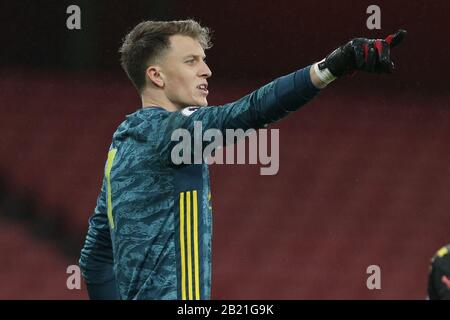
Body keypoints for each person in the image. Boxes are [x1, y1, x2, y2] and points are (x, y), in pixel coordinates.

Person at [79, 19, 406, 300]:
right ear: (157, 76)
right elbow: (248, 112)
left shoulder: (121, 146)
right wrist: (332, 67)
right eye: (191, 61)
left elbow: (95, 260)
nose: (206, 70)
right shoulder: (170, 131)